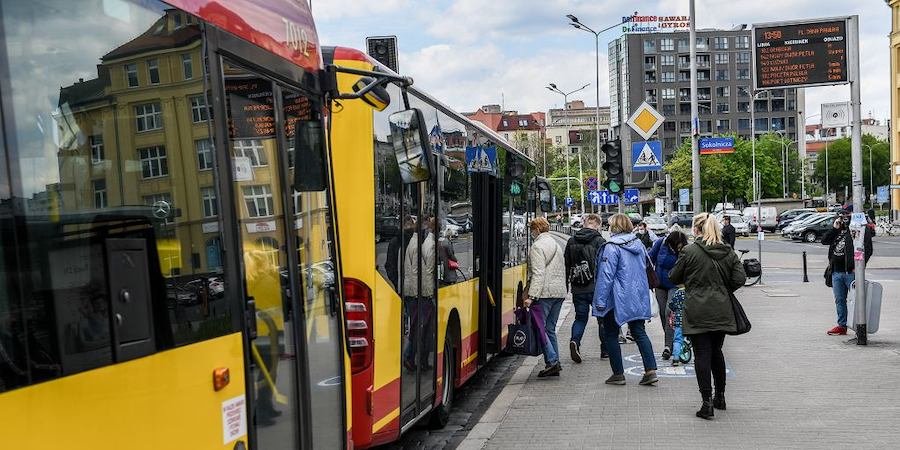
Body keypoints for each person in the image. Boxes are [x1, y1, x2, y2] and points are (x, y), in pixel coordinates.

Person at [669, 212, 746, 420]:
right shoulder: (727, 251)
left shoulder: (689, 251)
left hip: (696, 309)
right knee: (716, 352)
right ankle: (720, 396)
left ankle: (706, 403)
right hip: (721, 310)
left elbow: (674, 276)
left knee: (702, 354)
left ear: (696, 229)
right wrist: (721, 290)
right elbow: (740, 277)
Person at [592, 213, 658, 386]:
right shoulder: (639, 244)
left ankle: (618, 374)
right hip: (637, 295)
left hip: (615, 298)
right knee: (639, 332)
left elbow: (606, 277)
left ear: (614, 227)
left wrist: (599, 302)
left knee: (611, 334)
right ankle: (650, 370)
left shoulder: (611, 247)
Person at [525, 217, 567, 377]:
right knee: (550, 329)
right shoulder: (556, 244)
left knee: (540, 328)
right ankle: (555, 362)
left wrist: (532, 295)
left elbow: (538, 273)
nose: (531, 233)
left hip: (545, 293)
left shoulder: (537, 247)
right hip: (559, 292)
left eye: (532, 230)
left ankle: (552, 360)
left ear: (536, 230)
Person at [821, 210, 874, 335]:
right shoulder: (839, 231)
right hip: (836, 272)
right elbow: (824, 240)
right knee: (840, 300)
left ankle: (859, 326)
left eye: (846, 216)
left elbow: (868, 248)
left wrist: (860, 266)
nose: (844, 218)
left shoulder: (859, 229)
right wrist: (835, 228)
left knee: (858, 300)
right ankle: (842, 325)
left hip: (851, 271)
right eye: (842, 216)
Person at [564, 213, 608, 363]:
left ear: (584, 223)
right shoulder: (600, 241)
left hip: (578, 287)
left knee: (580, 318)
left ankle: (575, 341)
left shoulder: (571, 241)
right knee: (602, 320)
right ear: (597, 225)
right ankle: (605, 351)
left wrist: (567, 285)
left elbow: (567, 265)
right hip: (597, 287)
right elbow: (605, 266)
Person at [648, 225, 688, 360]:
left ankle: (668, 346)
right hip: (660, 285)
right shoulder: (660, 244)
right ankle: (670, 342)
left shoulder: (684, 249)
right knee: (663, 314)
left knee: (669, 312)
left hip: (675, 285)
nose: (679, 247)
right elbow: (650, 259)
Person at [385, 215, 416, 290]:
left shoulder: (395, 241)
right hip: (413, 285)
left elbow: (389, 264)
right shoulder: (416, 241)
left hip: (400, 284)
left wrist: (395, 281)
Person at [666, 288, 686, 366]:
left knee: (677, 339)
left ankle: (676, 358)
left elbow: (671, 305)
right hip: (690, 320)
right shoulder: (692, 291)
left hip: (679, 321)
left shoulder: (678, 292)